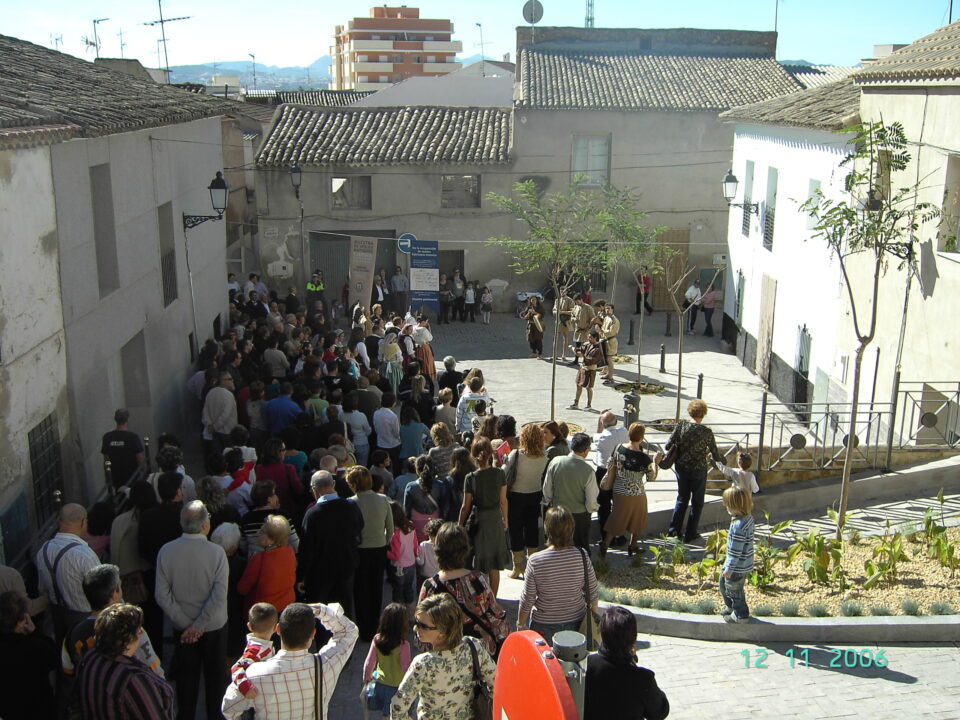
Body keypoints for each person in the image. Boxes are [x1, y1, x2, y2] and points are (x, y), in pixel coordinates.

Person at [221, 602, 359, 719]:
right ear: (313, 633)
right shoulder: (326, 665)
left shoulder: (254, 674)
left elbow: (229, 709)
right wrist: (322, 611)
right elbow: (349, 631)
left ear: (278, 630)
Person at [154, 501, 228, 720]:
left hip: (183, 627)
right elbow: (219, 594)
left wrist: (187, 625)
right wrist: (199, 624)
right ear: (205, 524)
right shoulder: (217, 552)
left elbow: (162, 595)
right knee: (215, 679)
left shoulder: (166, 551)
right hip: (213, 625)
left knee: (187, 679)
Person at [391, 593, 495, 719]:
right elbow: (496, 683)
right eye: (416, 622)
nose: (415, 628)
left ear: (442, 632)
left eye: (422, 626)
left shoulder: (423, 664)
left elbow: (398, 707)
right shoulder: (474, 646)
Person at [419, 523, 509, 658]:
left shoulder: (430, 586)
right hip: (477, 654)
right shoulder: (476, 579)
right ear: (464, 550)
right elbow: (494, 614)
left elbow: (421, 628)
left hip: (444, 657)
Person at [76, 603, 175, 720]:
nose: (142, 634)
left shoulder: (90, 657)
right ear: (127, 639)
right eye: (138, 631)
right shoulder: (133, 678)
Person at [518, 506, 598, 646]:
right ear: (572, 529)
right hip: (576, 622)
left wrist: (520, 623)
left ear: (547, 529)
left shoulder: (535, 561)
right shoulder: (582, 556)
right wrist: (591, 620)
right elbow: (593, 592)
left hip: (544, 624)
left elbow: (528, 598)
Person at [583, 606, 670, 720]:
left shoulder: (585, 666)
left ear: (602, 634)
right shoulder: (642, 679)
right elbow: (660, 711)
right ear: (633, 639)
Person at [299, 471, 363, 617]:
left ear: (314, 489)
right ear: (333, 484)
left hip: (321, 572)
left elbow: (306, 548)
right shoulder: (350, 506)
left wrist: (301, 574)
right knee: (344, 609)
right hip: (346, 565)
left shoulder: (312, 513)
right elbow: (359, 527)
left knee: (322, 613)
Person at [35, 503, 100, 643]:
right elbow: (101, 590)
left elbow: (42, 589)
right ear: (83, 522)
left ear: (59, 521)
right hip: (86, 619)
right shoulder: (85, 555)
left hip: (58, 618)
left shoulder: (43, 551)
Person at [665, 399, 722, 543]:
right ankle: (691, 533)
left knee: (682, 498)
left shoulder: (681, 425)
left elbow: (667, 446)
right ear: (703, 413)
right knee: (697, 502)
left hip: (681, 467)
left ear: (690, 411)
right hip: (698, 469)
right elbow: (716, 454)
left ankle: (673, 532)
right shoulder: (706, 432)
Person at [349, 466, 395, 641]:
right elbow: (390, 529)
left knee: (360, 589)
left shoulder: (351, 502)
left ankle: (363, 628)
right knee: (376, 588)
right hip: (378, 549)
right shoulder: (383, 500)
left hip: (359, 550)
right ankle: (375, 625)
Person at [599, 423, 658, 558]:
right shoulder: (643, 458)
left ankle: (605, 544)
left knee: (617, 517)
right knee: (639, 518)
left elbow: (612, 463)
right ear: (642, 438)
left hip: (618, 489)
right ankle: (633, 545)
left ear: (629, 434)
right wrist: (655, 462)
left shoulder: (619, 448)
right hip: (636, 492)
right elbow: (651, 477)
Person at [459, 438, 510, 595]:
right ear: (490, 454)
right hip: (495, 520)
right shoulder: (499, 473)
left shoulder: (471, 478)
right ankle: (493, 599)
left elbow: (465, 506)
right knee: (494, 565)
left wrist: (460, 525)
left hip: (479, 521)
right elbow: (503, 501)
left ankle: (479, 598)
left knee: (478, 562)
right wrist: (505, 519)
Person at [0, 590, 58, 720]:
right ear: (22, 620)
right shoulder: (36, 647)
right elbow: (53, 658)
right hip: (39, 711)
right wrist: (35, 632)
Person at [505, 423, 549, 579]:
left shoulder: (516, 455)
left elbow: (505, 473)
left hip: (516, 495)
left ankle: (517, 567)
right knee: (531, 529)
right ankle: (532, 565)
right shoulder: (544, 457)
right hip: (535, 494)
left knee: (515, 530)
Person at [542, 433, 599, 550]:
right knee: (580, 547)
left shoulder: (556, 462)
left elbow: (547, 488)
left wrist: (548, 502)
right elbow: (591, 498)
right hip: (579, 515)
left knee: (558, 546)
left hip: (558, 512)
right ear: (586, 450)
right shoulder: (588, 471)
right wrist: (590, 510)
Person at [237, 514, 296, 615]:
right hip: (286, 608)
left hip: (264, 614)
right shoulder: (290, 552)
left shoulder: (259, 559)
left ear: (272, 540)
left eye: (262, 531)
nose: (258, 532)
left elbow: (242, 589)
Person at [363, 603, 412, 717]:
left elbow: (369, 662)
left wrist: (366, 677)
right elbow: (406, 668)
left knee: (386, 714)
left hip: (381, 684)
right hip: (398, 688)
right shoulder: (404, 645)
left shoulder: (377, 639)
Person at [721, 486, 755, 623]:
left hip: (736, 567)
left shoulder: (739, 526)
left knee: (735, 591)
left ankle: (741, 614)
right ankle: (730, 606)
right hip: (742, 563)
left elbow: (736, 550)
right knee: (724, 585)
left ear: (736, 506)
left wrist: (729, 568)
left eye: (729, 505)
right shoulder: (747, 518)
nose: (726, 508)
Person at [230, 602, 277, 700]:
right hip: (255, 695)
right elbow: (236, 668)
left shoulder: (265, 645)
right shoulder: (256, 649)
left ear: (249, 626)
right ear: (275, 628)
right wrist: (246, 689)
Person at [594, 410, 629, 541]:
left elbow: (597, 434)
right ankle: (619, 534)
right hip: (620, 472)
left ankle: (605, 537)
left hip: (604, 472)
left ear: (603, 424)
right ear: (616, 421)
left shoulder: (601, 437)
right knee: (618, 505)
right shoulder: (623, 432)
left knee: (603, 507)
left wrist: (599, 422)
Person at [101, 408, 145, 489]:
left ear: (115, 419)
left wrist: (108, 477)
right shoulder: (133, 437)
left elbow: (106, 459)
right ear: (128, 419)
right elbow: (140, 459)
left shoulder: (107, 437)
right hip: (131, 478)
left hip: (115, 477)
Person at [387, 503, 419, 610]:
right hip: (411, 564)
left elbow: (395, 555)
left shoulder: (395, 534)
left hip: (399, 567)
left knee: (398, 591)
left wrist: (384, 552)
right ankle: (411, 614)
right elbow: (415, 545)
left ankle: (398, 615)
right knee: (409, 589)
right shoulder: (411, 526)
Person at [403, 456, 441, 541]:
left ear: (417, 469)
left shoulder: (411, 486)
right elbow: (445, 507)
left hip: (416, 523)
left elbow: (406, 509)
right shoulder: (440, 485)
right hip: (436, 522)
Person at [202, 372, 238, 455]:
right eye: (229, 379)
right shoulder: (228, 395)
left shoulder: (210, 392)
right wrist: (214, 426)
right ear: (222, 381)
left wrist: (210, 425)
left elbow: (205, 411)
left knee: (217, 454)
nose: (232, 381)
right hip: (226, 431)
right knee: (229, 455)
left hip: (214, 431)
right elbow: (225, 415)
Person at [568, 328, 603, 410]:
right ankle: (576, 403)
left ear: (595, 338)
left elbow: (590, 360)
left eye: (590, 337)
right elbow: (580, 350)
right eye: (588, 337)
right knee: (578, 385)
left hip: (590, 370)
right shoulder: (587, 344)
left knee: (588, 387)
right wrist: (574, 349)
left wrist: (582, 355)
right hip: (583, 368)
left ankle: (589, 405)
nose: (589, 339)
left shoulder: (598, 349)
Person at [374, 392, 403, 471]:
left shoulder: (376, 413)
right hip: (393, 444)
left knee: (383, 467)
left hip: (381, 443)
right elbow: (396, 433)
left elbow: (376, 428)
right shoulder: (393, 416)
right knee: (397, 466)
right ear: (393, 403)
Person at [416, 517, 443, 586]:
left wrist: (415, 556)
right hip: (439, 576)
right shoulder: (444, 545)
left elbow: (420, 562)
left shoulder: (423, 545)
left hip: (425, 576)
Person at [571, 294, 596, 366]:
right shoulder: (575, 307)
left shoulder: (588, 308)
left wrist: (588, 327)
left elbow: (593, 319)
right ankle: (576, 360)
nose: (577, 303)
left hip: (586, 330)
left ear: (582, 300)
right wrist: (573, 319)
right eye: (576, 302)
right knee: (577, 345)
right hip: (578, 330)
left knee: (586, 346)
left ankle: (586, 360)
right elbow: (572, 315)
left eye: (578, 301)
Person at [599, 304, 621, 384]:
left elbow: (612, 332)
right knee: (605, 359)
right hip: (604, 340)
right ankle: (608, 374)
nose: (607, 310)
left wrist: (602, 332)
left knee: (609, 359)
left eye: (608, 309)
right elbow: (603, 328)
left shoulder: (614, 320)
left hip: (611, 341)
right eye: (605, 309)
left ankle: (611, 377)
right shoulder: (606, 318)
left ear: (612, 309)